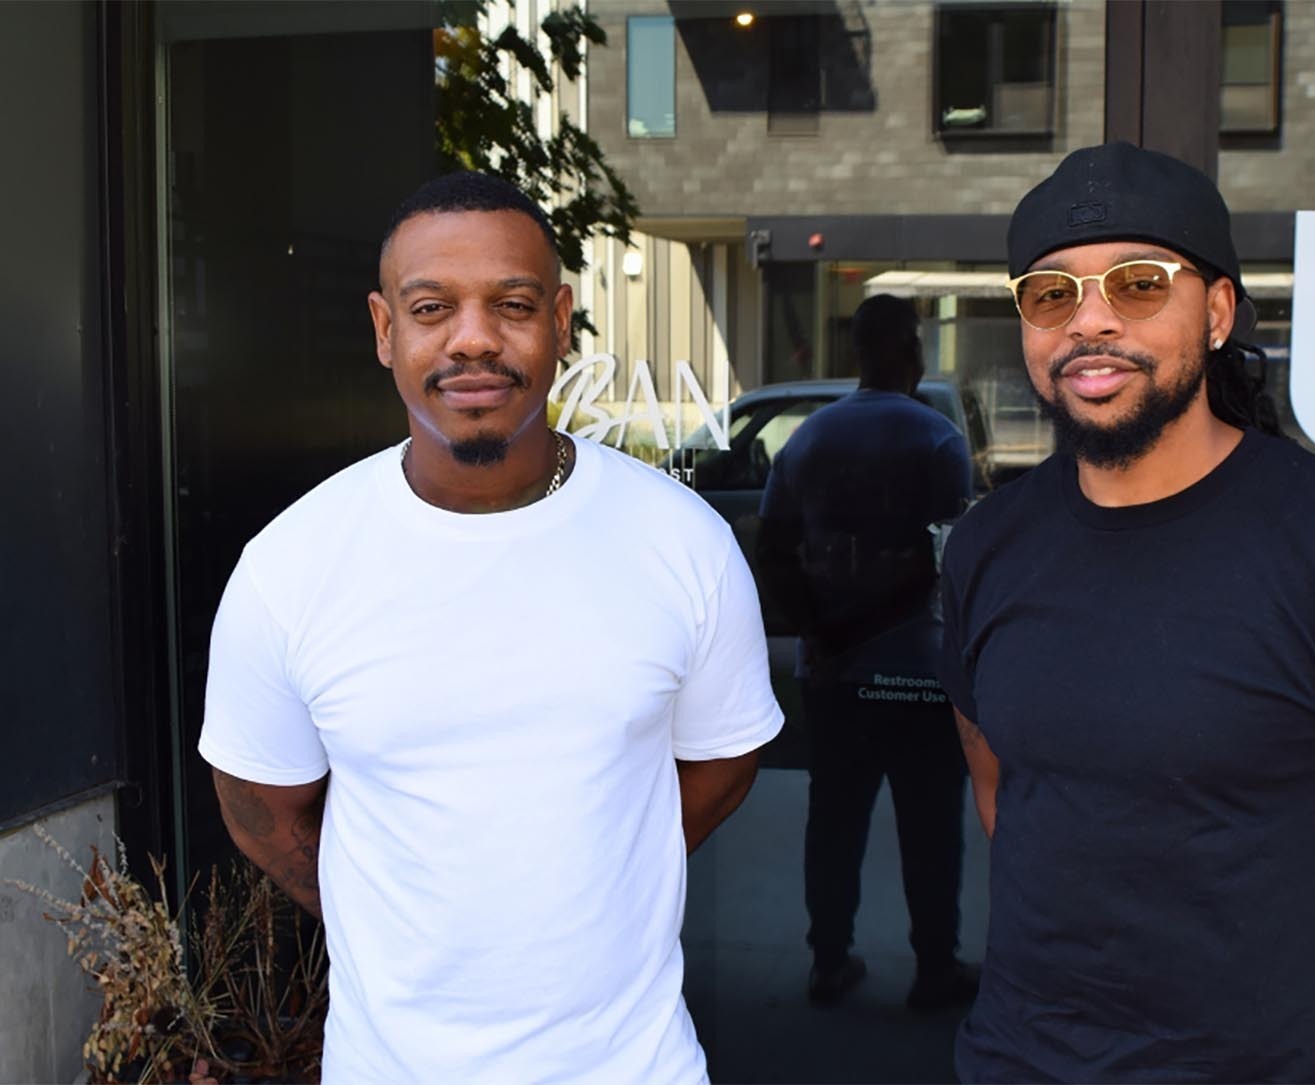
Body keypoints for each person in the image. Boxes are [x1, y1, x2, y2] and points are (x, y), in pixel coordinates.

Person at [937, 142, 1315, 1082]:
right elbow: (1006, 795)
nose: (1090, 322)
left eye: (1137, 285)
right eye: (1051, 293)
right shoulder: (987, 547)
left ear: (1215, 313)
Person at [198, 172, 782, 1084]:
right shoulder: (291, 567)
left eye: (511, 304)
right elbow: (259, 808)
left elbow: (721, 762)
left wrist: (598, 874)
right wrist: (397, 909)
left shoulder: (683, 543)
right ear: (385, 330)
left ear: (560, 320)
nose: (473, 338)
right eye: (432, 307)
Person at [756, 294, 979, 1011]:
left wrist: (819, 628)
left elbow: (772, 550)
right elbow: (945, 559)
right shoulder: (938, 441)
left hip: (834, 674)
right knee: (930, 825)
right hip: (918, 670)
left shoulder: (809, 440)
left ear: (856, 352)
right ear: (910, 352)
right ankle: (935, 967)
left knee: (835, 820)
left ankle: (828, 960)